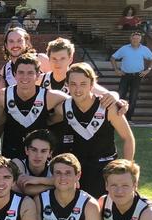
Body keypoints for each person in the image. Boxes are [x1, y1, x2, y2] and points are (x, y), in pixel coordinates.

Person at [51, 62, 135, 198]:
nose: (78, 89)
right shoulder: (63, 108)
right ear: (67, 85)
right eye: (73, 84)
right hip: (78, 171)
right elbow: (49, 121)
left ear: (92, 85)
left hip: (105, 168)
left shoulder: (108, 107)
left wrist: (127, 170)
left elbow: (128, 138)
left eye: (83, 84)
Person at [0, 53, 68, 160]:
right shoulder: (3, 95)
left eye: (30, 73)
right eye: (21, 72)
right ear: (14, 74)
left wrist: (52, 119)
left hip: (39, 158)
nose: (25, 77)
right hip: (11, 155)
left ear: (38, 75)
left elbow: (75, 101)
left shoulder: (49, 96)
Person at [110, 32, 152, 122]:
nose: (136, 40)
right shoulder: (124, 48)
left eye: (137, 39)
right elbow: (112, 58)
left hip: (137, 76)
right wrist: (116, 70)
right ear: (130, 39)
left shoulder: (144, 49)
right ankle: (117, 117)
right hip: (125, 75)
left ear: (140, 40)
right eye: (134, 38)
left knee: (133, 97)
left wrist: (148, 70)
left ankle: (129, 119)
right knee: (120, 96)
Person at [11, 129, 55, 196]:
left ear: (50, 153)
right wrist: (55, 186)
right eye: (34, 150)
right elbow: (27, 189)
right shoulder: (17, 163)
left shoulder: (54, 167)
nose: (38, 155)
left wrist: (36, 180)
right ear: (26, 150)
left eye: (43, 151)